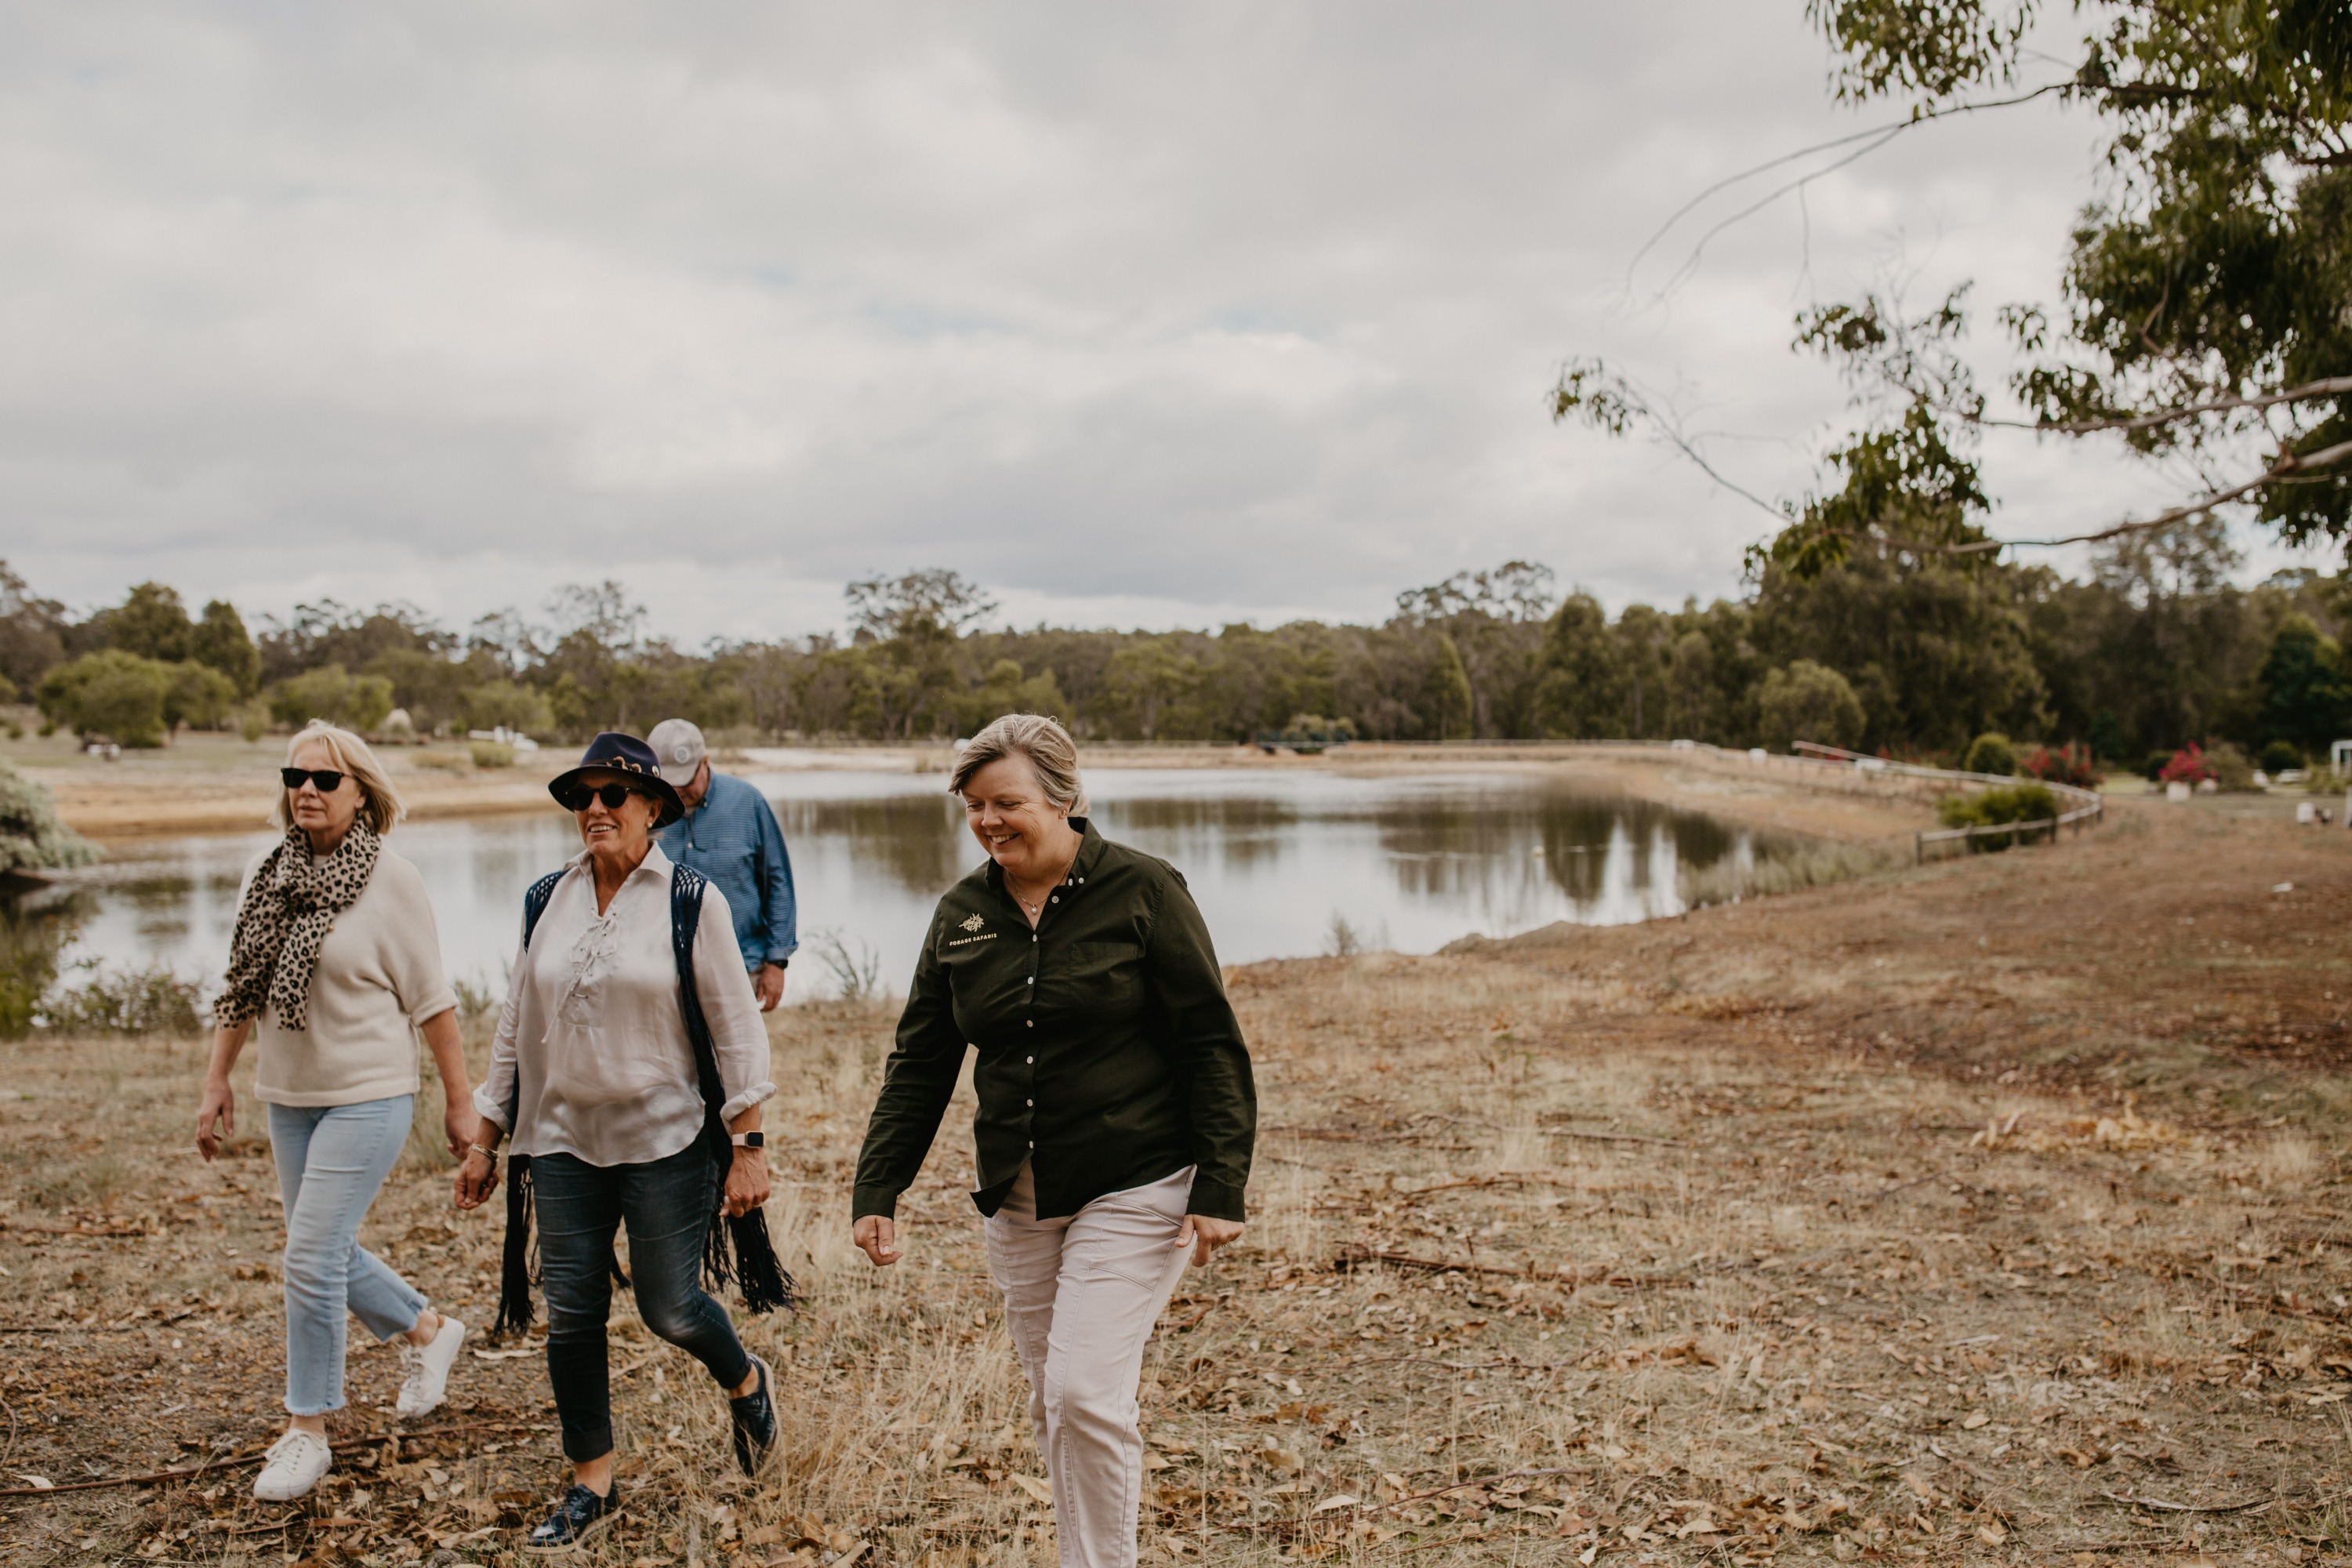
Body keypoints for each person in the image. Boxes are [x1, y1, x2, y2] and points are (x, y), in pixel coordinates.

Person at [851, 713, 1256, 1568]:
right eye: (974, 807)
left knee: (1082, 1391)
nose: (989, 821)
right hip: (1020, 1191)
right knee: (1055, 1398)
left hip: (1138, 1177)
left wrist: (1222, 1181)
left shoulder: (1145, 891)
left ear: (1064, 798)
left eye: (1008, 802)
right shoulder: (961, 914)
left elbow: (1208, 1043)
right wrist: (878, 1187)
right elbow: (921, 1060)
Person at [456, 731, 788, 1556]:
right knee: (572, 1311)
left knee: (669, 1306)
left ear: (652, 806)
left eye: (613, 795)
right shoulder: (545, 897)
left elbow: (735, 1026)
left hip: (665, 1136)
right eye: (583, 797)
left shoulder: (688, 896)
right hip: (562, 1138)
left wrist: (747, 1141)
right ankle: (591, 1480)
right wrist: (487, 1133)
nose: (595, 809)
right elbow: (514, 1023)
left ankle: (746, 1380)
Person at [194, 720, 474, 1503]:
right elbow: (243, 982)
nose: (306, 790)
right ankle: (427, 1329)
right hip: (291, 1095)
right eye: (296, 776)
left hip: (371, 1091)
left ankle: (307, 1430)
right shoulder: (268, 870)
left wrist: (461, 1100)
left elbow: (434, 1001)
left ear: (362, 791)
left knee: (309, 1257)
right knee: (322, 1249)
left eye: (325, 779)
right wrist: (217, 1078)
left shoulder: (393, 878)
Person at [647, 718, 797, 1011]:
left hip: (742, 967)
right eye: (669, 782)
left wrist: (777, 962)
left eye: (686, 781)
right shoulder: (644, 812)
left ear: (705, 762)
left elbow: (778, 881)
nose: (677, 791)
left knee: (740, 1057)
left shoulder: (748, 802)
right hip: (664, 973)